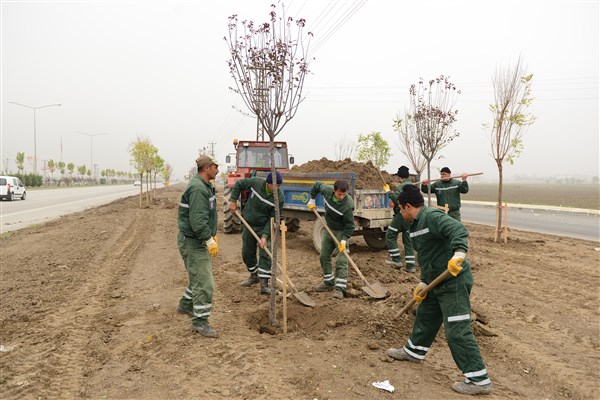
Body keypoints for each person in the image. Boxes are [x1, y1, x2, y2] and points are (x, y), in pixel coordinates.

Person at [386, 185, 493, 395]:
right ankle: (414, 351)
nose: (399, 212)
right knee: (426, 316)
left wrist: (459, 254)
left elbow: (458, 230)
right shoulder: (414, 224)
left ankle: (479, 379)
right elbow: (428, 255)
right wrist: (424, 283)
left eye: (400, 208)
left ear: (408, 206)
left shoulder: (431, 216)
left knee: (456, 329)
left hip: (453, 280)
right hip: (435, 280)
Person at [176, 155, 220, 338]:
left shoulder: (204, 186)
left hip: (196, 239)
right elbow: (197, 221)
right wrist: (208, 239)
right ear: (207, 168)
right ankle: (200, 322)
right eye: (215, 166)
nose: (217, 170)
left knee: (197, 276)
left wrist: (211, 235)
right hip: (193, 241)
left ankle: (185, 305)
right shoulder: (197, 189)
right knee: (205, 283)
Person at [229, 171, 284, 295]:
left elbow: (274, 219)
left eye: (279, 186)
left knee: (266, 252)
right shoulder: (256, 182)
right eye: (274, 185)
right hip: (248, 223)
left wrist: (264, 236)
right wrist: (233, 201)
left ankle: (264, 285)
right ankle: (254, 275)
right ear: (268, 183)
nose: (276, 188)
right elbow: (239, 184)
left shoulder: (279, 198)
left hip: (264, 226)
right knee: (247, 253)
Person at [307, 180, 355, 300]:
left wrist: (344, 240)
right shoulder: (327, 191)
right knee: (324, 255)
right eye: (339, 194)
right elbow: (316, 185)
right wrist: (312, 199)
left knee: (341, 259)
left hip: (341, 231)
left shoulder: (348, 205)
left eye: (344, 194)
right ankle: (328, 282)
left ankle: (340, 288)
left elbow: (350, 226)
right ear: (334, 191)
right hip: (329, 228)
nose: (341, 197)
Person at [383, 165, 416, 272]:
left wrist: (388, 192)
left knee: (390, 235)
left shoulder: (401, 187)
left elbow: (398, 202)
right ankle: (411, 266)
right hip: (411, 215)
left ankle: (396, 259)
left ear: (398, 177)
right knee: (407, 239)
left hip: (402, 215)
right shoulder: (413, 186)